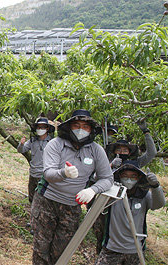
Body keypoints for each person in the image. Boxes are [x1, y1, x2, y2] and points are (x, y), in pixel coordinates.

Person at [32, 109, 113, 265]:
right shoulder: (56, 144)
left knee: (61, 250)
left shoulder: (96, 150)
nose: (81, 129)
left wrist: (92, 189)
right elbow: (48, 173)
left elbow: (107, 178)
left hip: (72, 206)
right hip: (46, 202)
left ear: (91, 130)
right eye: (76, 125)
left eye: (85, 126)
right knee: (41, 248)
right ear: (69, 127)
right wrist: (64, 173)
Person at [96, 160, 165, 265]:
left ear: (138, 178)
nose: (129, 179)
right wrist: (110, 167)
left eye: (133, 176)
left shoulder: (144, 195)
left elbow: (158, 204)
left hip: (135, 249)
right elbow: (96, 180)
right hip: (112, 248)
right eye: (125, 175)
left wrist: (156, 186)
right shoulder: (113, 193)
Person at [17, 117, 55, 203]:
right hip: (33, 173)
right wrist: (21, 144)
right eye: (38, 127)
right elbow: (21, 150)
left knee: (42, 199)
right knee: (31, 197)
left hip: (44, 175)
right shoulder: (32, 141)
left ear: (47, 128)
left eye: (42, 127)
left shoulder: (52, 142)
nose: (40, 129)